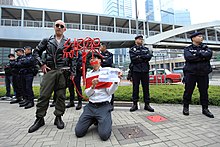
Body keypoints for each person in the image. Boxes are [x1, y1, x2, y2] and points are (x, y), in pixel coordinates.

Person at [28, 20, 77, 133]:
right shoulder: (47, 40)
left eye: (61, 26)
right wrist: (42, 64)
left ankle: (58, 117)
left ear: (65, 29)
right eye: (57, 25)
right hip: (50, 71)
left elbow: (73, 58)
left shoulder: (69, 42)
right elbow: (36, 52)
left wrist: (73, 73)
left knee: (61, 96)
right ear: (54, 27)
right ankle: (39, 119)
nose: (59, 27)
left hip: (63, 72)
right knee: (44, 95)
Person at [75, 54, 121, 141]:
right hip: (91, 106)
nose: (92, 60)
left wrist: (115, 83)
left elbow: (109, 92)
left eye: (95, 58)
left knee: (104, 136)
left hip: (103, 106)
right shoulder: (88, 74)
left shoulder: (106, 72)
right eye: (91, 59)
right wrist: (93, 86)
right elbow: (87, 94)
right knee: (79, 132)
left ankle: (104, 119)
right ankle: (94, 119)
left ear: (100, 60)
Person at [182, 32, 214, 118]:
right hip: (191, 73)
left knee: (204, 92)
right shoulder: (187, 49)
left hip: (203, 73)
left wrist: (197, 55)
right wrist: (202, 57)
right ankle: (186, 107)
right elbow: (188, 58)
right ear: (193, 38)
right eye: (199, 36)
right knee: (188, 91)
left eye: (201, 36)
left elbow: (209, 55)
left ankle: (205, 109)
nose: (201, 37)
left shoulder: (206, 48)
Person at [129, 35, 154, 112]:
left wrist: (139, 56)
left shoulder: (146, 49)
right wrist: (143, 57)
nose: (141, 40)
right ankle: (135, 104)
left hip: (145, 71)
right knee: (135, 88)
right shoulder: (132, 49)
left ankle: (147, 104)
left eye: (142, 39)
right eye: (139, 39)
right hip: (136, 71)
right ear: (136, 40)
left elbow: (149, 57)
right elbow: (133, 59)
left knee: (146, 88)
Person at [99, 42, 114, 110]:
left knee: (110, 88)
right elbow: (98, 63)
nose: (100, 47)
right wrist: (103, 61)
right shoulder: (98, 54)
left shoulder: (110, 54)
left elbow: (108, 62)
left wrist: (102, 61)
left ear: (104, 47)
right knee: (101, 88)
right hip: (101, 73)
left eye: (101, 46)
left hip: (108, 73)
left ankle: (111, 104)